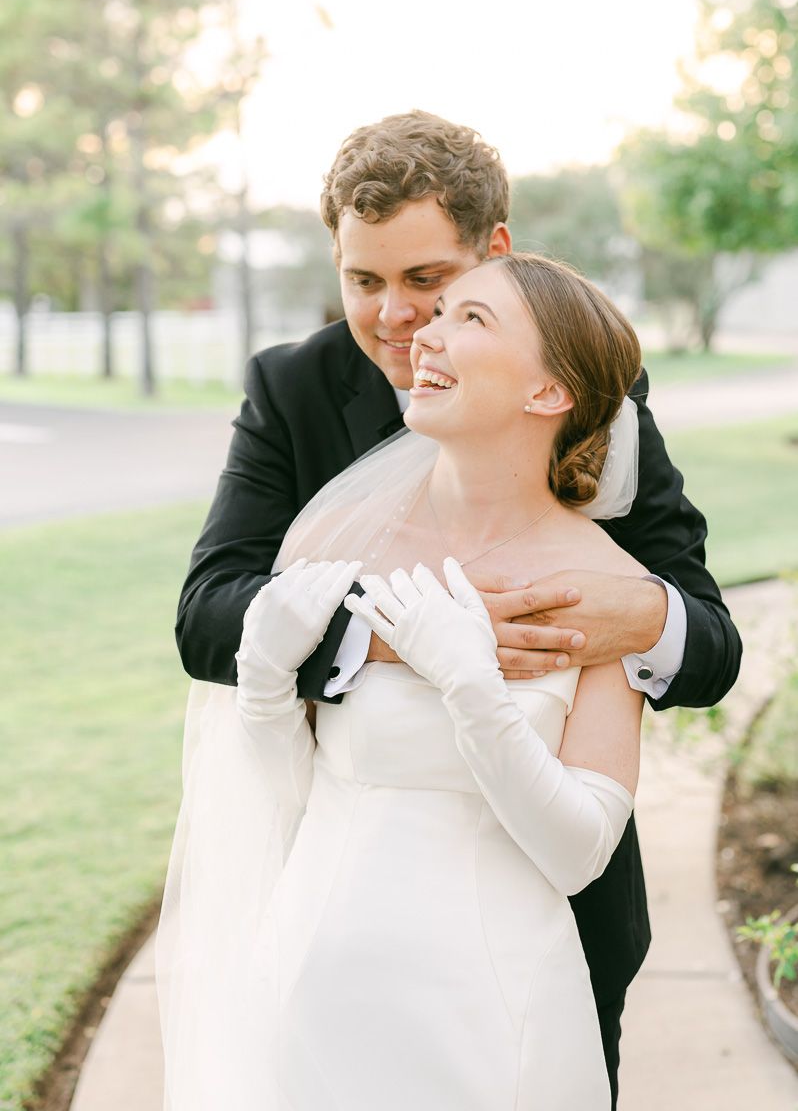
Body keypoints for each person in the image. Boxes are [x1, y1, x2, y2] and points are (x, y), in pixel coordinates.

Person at [173, 111, 742, 1104]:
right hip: (337, 918)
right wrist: (401, 628)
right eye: (364, 281)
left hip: (550, 922)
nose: (398, 318)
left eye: (428, 281)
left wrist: (634, 619)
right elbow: (210, 612)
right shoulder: (294, 388)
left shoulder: (588, 382)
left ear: (497, 253)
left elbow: (705, 635)